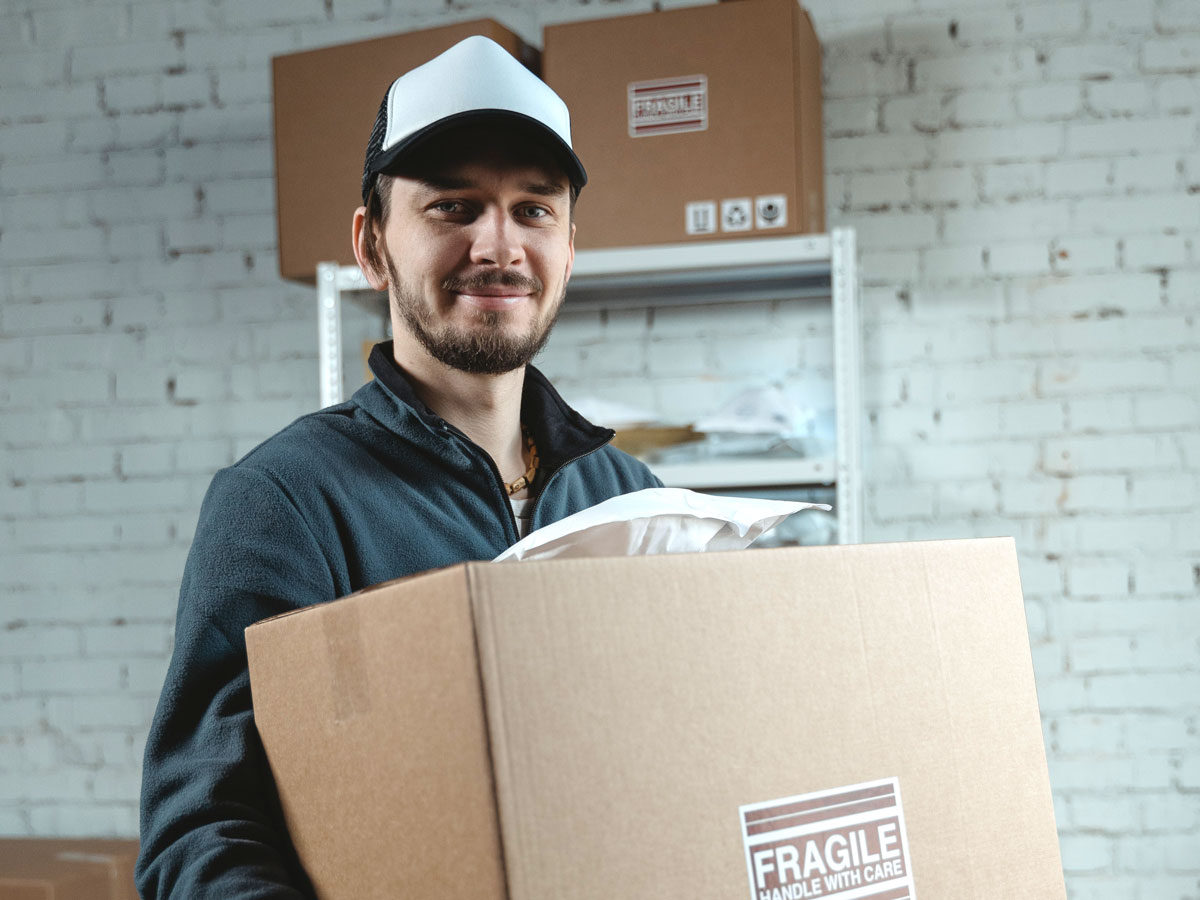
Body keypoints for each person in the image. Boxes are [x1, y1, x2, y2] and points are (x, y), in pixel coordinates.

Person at [135, 35, 661, 899]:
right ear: (372, 245)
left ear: (570, 247)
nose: (499, 246)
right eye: (454, 207)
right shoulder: (285, 503)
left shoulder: (634, 501)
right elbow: (200, 832)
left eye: (535, 210)